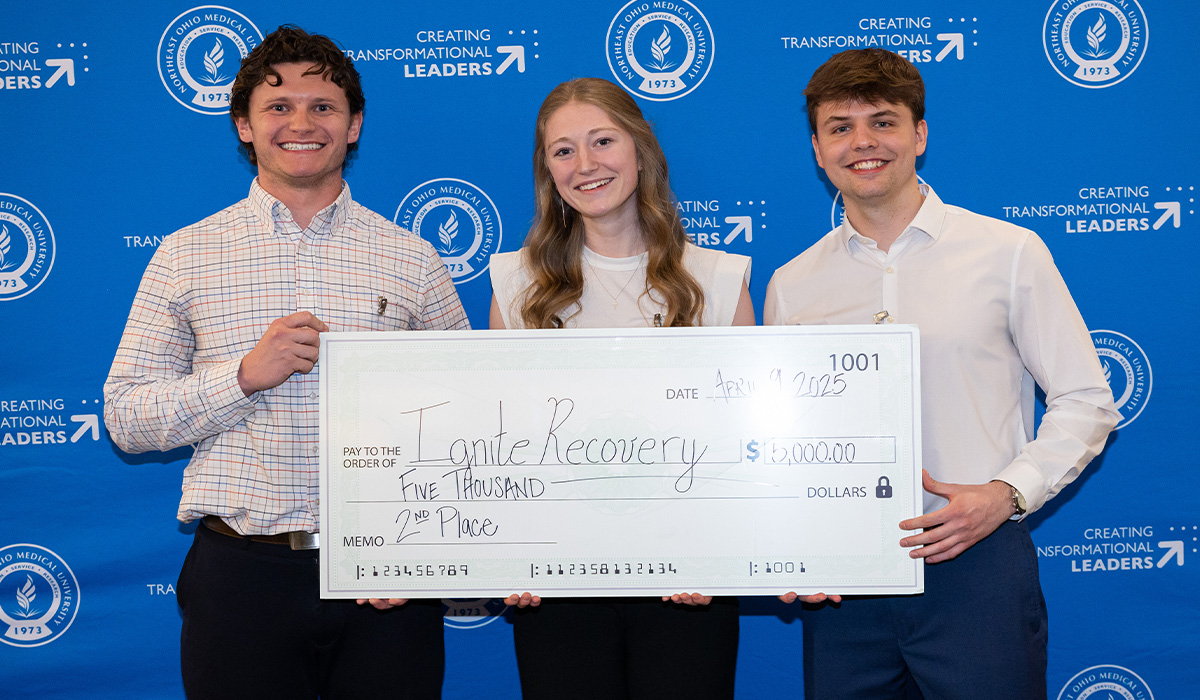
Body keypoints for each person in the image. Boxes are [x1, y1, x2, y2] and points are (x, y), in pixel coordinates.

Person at [103, 25, 467, 700]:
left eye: (323, 107)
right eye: (279, 107)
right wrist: (242, 376)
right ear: (244, 126)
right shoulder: (186, 254)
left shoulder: (414, 259)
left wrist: (422, 559)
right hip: (241, 577)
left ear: (354, 125)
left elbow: (467, 426)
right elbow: (126, 417)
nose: (302, 123)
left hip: (384, 579)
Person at [766, 49, 1119, 699]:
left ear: (919, 135)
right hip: (846, 584)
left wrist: (1007, 493)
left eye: (883, 121)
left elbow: (1086, 398)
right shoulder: (793, 286)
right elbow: (785, 442)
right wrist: (789, 547)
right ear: (817, 148)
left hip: (976, 565)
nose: (863, 142)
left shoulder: (1008, 253)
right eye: (839, 127)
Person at [490, 77, 754, 699]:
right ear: (547, 170)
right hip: (557, 579)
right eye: (563, 150)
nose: (585, 165)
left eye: (602, 141)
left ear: (641, 150)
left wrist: (718, 553)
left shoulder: (717, 277)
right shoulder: (514, 283)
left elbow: (743, 437)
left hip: (688, 578)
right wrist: (508, 553)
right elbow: (499, 437)